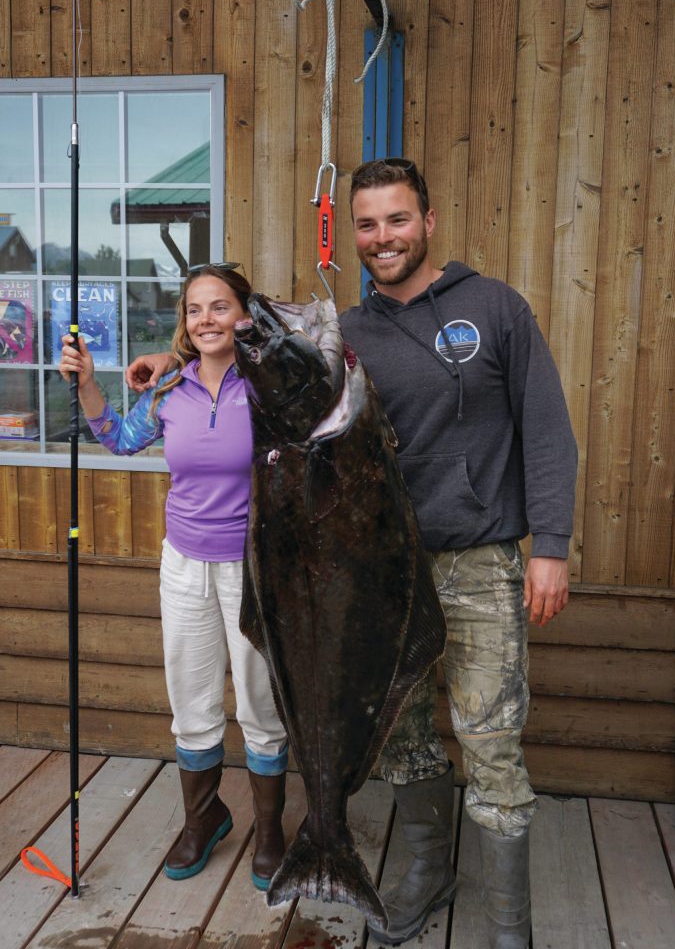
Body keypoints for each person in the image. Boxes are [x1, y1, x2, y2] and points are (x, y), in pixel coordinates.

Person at [126, 161, 578, 949]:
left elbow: (543, 426)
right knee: (402, 742)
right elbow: (239, 348)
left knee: (490, 741)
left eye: (395, 221)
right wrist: (171, 362)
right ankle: (423, 873)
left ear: (428, 222)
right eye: (366, 226)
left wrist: (552, 544)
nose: (380, 239)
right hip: (373, 578)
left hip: (479, 561)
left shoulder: (493, 307)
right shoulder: (350, 335)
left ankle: (510, 924)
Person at [59, 264, 289, 892]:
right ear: (183, 321)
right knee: (191, 702)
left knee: (261, 702)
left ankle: (269, 832)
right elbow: (119, 440)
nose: (206, 320)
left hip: (256, 567)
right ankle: (204, 816)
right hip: (184, 565)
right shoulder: (167, 392)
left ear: (246, 314)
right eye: (194, 310)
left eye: (221, 307)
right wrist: (88, 386)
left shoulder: (272, 385)